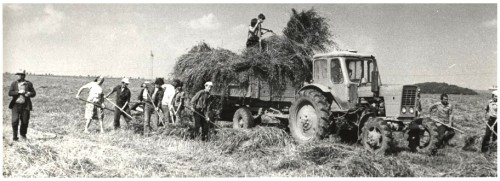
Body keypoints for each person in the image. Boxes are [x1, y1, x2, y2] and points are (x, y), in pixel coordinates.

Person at [8, 69, 36, 141]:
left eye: (20, 74)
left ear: (23, 75)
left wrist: (29, 93)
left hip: (25, 106)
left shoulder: (28, 84)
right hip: (15, 105)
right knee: (14, 121)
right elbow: (10, 93)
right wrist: (18, 92)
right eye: (17, 74)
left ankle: (23, 135)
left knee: (25, 121)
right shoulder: (14, 83)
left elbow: (34, 93)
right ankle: (15, 137)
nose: (18, 76)